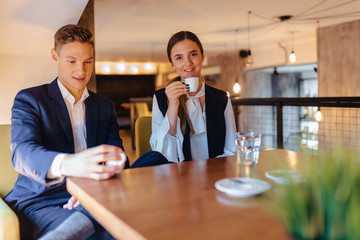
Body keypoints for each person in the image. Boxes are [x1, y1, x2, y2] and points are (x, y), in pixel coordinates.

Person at [5, 24, 167, 240]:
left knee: (154, 158)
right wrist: (70, 164)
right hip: (44, 199)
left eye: (88, 61)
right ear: (55, 56)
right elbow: (23, 153)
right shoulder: (31, 99)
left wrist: (93, 192)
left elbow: (117, 157)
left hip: (96, 193)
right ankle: (85, 220)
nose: (81, 71)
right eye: (71, 61)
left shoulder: (104, 106)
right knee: (110, 230)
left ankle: (88, 214)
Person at [150, 31, 236, 162]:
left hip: (216, 173)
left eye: (193, 54)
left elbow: (231, 148)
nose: (188, 63)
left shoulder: (222, 98)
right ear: (173, 64)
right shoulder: (161, 97)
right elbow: (161, 151)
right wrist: (173, 105)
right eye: (179, 58)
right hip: (178, 175)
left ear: (202, 56)